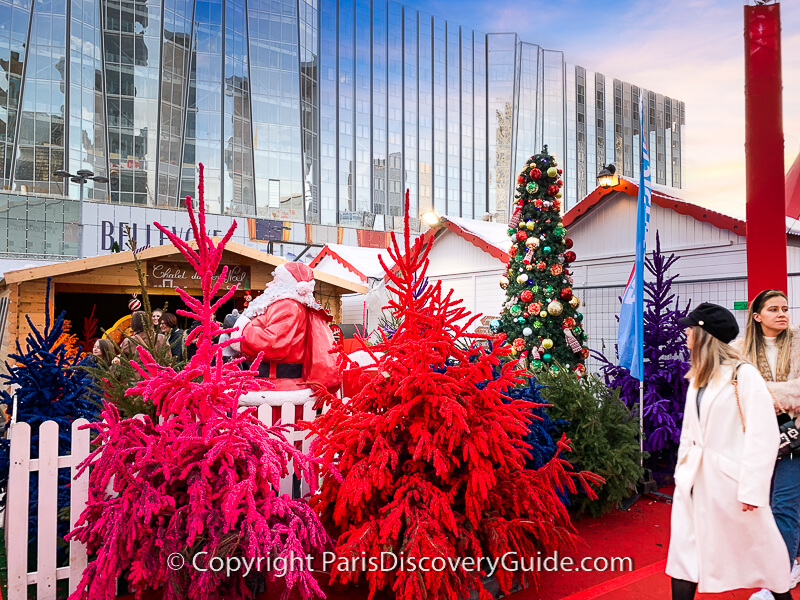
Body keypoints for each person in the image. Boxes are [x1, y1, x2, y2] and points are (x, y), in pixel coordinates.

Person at [666, 302, 791, 600]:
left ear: (703, 334)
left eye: (690, 328)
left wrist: (752, 489)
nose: (685, 332)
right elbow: (690, 432)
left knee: (764, 555)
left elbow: (764, 435)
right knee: (684, 559)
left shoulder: (743, 375)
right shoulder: (698, 376)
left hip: (731, 485)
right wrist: (682, 471)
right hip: (694, 483)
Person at [731, 290, 800, 600]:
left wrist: (760, 393)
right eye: (773, 309)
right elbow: (733, 391)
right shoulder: (739, 350)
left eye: (785, 308)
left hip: (795, 438)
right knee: (767, 507)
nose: (782, 313)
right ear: (757, 316)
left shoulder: (799, 343)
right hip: (756, 439)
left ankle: (777, 581)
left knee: (784, 506)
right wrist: (780, 395)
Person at [230, 262, 340, 407]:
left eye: (276, 279)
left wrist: (241, 330)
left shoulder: (287, 305)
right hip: (273, 386)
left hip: (275, 386)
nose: (271, 283)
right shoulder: (287, 304)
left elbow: (274, 344)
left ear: (286, 283)